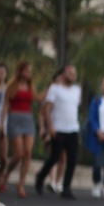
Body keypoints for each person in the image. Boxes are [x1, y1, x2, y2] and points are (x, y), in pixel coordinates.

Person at [34, 63, 82, 199]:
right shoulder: (55, 89)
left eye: (74, 73)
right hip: (58, 129)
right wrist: (50, 127)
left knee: (72, 160)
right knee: (54, 157)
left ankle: (66, 188)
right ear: (63, 75)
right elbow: (47, 109)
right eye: (69, 73)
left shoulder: (77, 90)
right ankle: (41, 176)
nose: (72, 75)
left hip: (73, 129)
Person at [0, 61, 37, 198]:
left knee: (27, 153)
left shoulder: (30, 86)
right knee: (19, 153)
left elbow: (37, 99)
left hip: (28, 119)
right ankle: (7, 173)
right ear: (20, 71)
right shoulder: (12, 86)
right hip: (14, 118)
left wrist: (51, 88)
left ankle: (21, 183)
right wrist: (2, 123)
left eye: (30, 71)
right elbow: (5, 106)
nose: (29, 74)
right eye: (27, 71)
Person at [37, 70, 67, 192]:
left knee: (63, 157)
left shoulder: (68, 95)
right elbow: (42, 113)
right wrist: (43, 128)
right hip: (52, 129)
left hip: (65, 130)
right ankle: (51, 180)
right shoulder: (50, 94)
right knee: (53, 155)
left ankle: (58, 181)